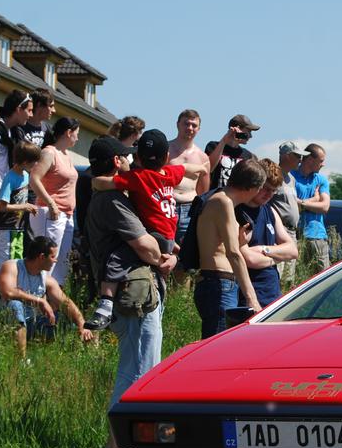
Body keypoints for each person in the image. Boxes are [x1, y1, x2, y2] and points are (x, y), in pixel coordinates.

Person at [83, 135, 179, 448]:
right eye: (126, 157)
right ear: (115, 163)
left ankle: (126, 446)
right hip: (136, 298)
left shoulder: (115, 196)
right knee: (138, 372)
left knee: (139, 368)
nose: (132, 160)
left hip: (138, 294)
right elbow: (147, 247)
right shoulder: (112, 201)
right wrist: (166, 257)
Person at [85, 129, 207, 329]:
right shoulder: (169, 173)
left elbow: (104, 183)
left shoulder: (138, 177)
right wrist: (203, 170)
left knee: (116, 258)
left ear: (138, 158)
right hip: (168, 234)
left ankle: (104, 305)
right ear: (167, 157)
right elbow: (185, 168)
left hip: (154, 236)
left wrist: (93, 182)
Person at [194, 158, 264, 338]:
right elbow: (233, 253)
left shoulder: (223, 201)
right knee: (215, 347)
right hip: (218, 283)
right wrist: (252, 298)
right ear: (251, 188)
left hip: (219, 283)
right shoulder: (222, 202)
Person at [0, 236, 94, 358]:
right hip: (4, 324)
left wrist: (82, 325)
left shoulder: (46, 279)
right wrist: (40, 300)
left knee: (66, 320)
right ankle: (21, 361)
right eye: (53, 257)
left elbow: (65, 303)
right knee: (15, 305)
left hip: (33, 324)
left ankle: (76, 357)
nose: (55, 261)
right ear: (41, 257)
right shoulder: (12, 266)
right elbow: (7, 292)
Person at [237, 158, 299, 307]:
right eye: (266, 188)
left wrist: (264, 250)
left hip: (272, 292)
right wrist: (278, 258)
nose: (269, 194)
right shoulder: (238, 211)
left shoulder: (270, 210)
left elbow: (292, 250)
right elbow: (249, 259)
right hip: (248, 294)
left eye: (274, 190)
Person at [28, 116, 80, 287]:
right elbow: (34, 179)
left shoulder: (65, 155)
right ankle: (36, 298)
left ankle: (53, 302)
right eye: (76, 134)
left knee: (60, 263)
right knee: (46, 261)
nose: (77, 138)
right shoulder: (49, 152)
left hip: (66, 214)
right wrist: (51, 203)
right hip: (50, 214)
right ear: (68, 132)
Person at [0, 142, 43, 273]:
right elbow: (0, 206)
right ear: (26, 162)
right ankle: (0, 291)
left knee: (16, 259)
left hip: (17, 228)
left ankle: (12, 289)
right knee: (5, 262)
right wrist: (24, 206)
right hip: (5, 229)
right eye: (34, 162)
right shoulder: (10, 178)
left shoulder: (25, 175)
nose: (36, 165)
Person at [168, 109, 209, 245]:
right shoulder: (166, 150)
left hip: (189, 208)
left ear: (199, 129)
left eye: (194, 125)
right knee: (165, 249)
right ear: (178, 124)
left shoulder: (202, 157)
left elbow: (203, 192)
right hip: (168, 205)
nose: (190, 128)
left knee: (186, 253)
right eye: (186, 124)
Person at [268, 142, 304, 284]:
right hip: (279, 231)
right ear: (287, 156)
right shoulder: (275, 175)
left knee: (289, 277)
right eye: (297, 156)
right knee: (279, 271)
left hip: (292, 233)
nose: (300, 160)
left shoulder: (292, 179)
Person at [293, 143, 331, 275]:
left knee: (323, 279)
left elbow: (325, 207)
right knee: (294, 280)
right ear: (310, 160)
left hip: (317, 236)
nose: (323, 164)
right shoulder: (291, 177)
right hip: (294, 237)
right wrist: (314, 200)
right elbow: (290, 207)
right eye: (321, 161)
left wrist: (301, 203)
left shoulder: (321, 180)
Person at [0, 90, 32, 194]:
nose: (31, 115)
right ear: (18, 109)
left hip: (7, 191)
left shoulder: (17, 132)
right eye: (29, 110)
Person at [205, 114, 257, 190]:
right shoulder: (213, 146)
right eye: (248, 131)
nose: (250, 136)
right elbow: (209, 169)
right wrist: (224, 141)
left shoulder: (247, 155)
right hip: (214, 198)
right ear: (238, 129)